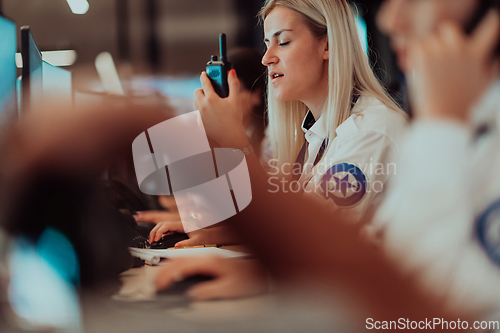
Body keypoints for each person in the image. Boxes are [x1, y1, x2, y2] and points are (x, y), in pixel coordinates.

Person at [155, 0, 409, 298]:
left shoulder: (370, 132)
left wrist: (234, 142)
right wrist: (225, 231)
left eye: (283, 42)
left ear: (327, 46)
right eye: (266, 44)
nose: (266, 58)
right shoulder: (316, 134)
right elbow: (299, 228)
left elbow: (314, 249)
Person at [371, 0, 500, 313]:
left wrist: (441, 127)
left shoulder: (441, 125)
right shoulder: (457, 118)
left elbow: (406, 305)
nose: (390, 20)